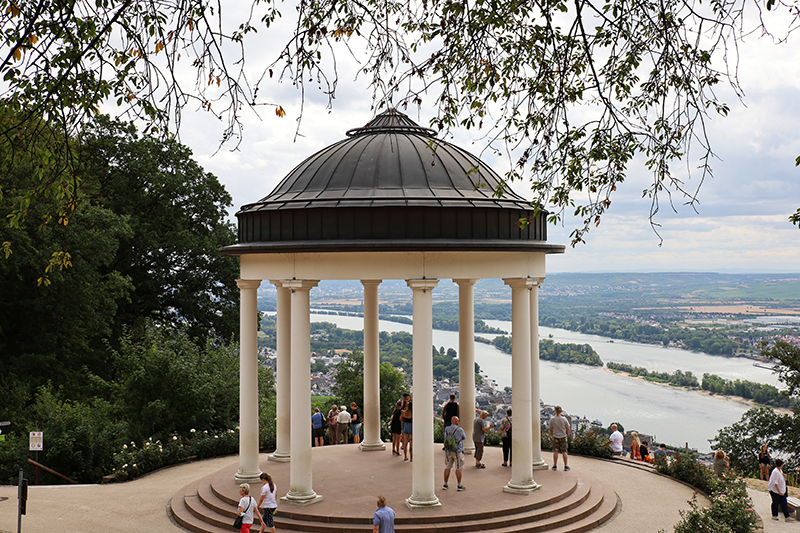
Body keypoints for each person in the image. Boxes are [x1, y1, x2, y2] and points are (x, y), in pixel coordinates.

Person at [443, 415, 467, 491]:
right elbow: (464, 437)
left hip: (448, 450)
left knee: (448, 467)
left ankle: (445, 484)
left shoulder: (446, 429)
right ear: (456, 422)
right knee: (458, 467)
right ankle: (459, 485)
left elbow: (444, 438)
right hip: (457, 450)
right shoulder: (459, 429)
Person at [548, 405, 570, 471]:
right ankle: (566, 466)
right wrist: (567, 434)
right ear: (561, 411)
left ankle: (555, 465)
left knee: (555, 451)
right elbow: (568, 428)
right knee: (564, 451)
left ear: (555, 411)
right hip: (563, 436)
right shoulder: (564, 419)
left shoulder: (552, 420)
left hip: (555, 436)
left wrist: (552, 435)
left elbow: (550, 429)